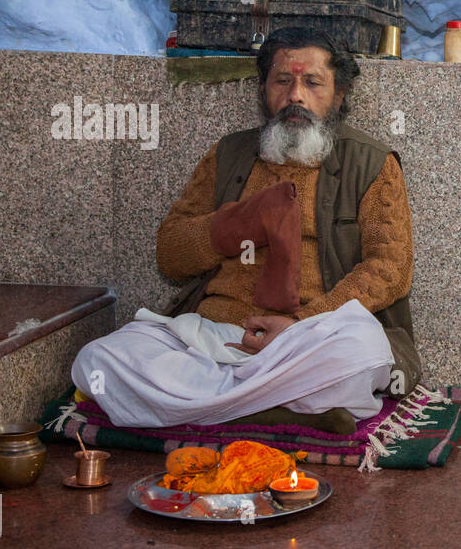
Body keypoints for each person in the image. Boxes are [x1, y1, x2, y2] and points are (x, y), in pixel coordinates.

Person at [70, 27, 420, 431]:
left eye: (312, 83)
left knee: (362, 351)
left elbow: (390, 268)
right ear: (263, 88)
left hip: (309, 339)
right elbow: (170, 253)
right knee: (96, 361)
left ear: (338, 95)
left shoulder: (371, 164)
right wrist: (233, 225)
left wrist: (300, 326)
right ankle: (275, 407)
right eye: (283, 81)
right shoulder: (229, 155)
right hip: (215, 336)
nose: (295, 96)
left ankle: (206, 404)